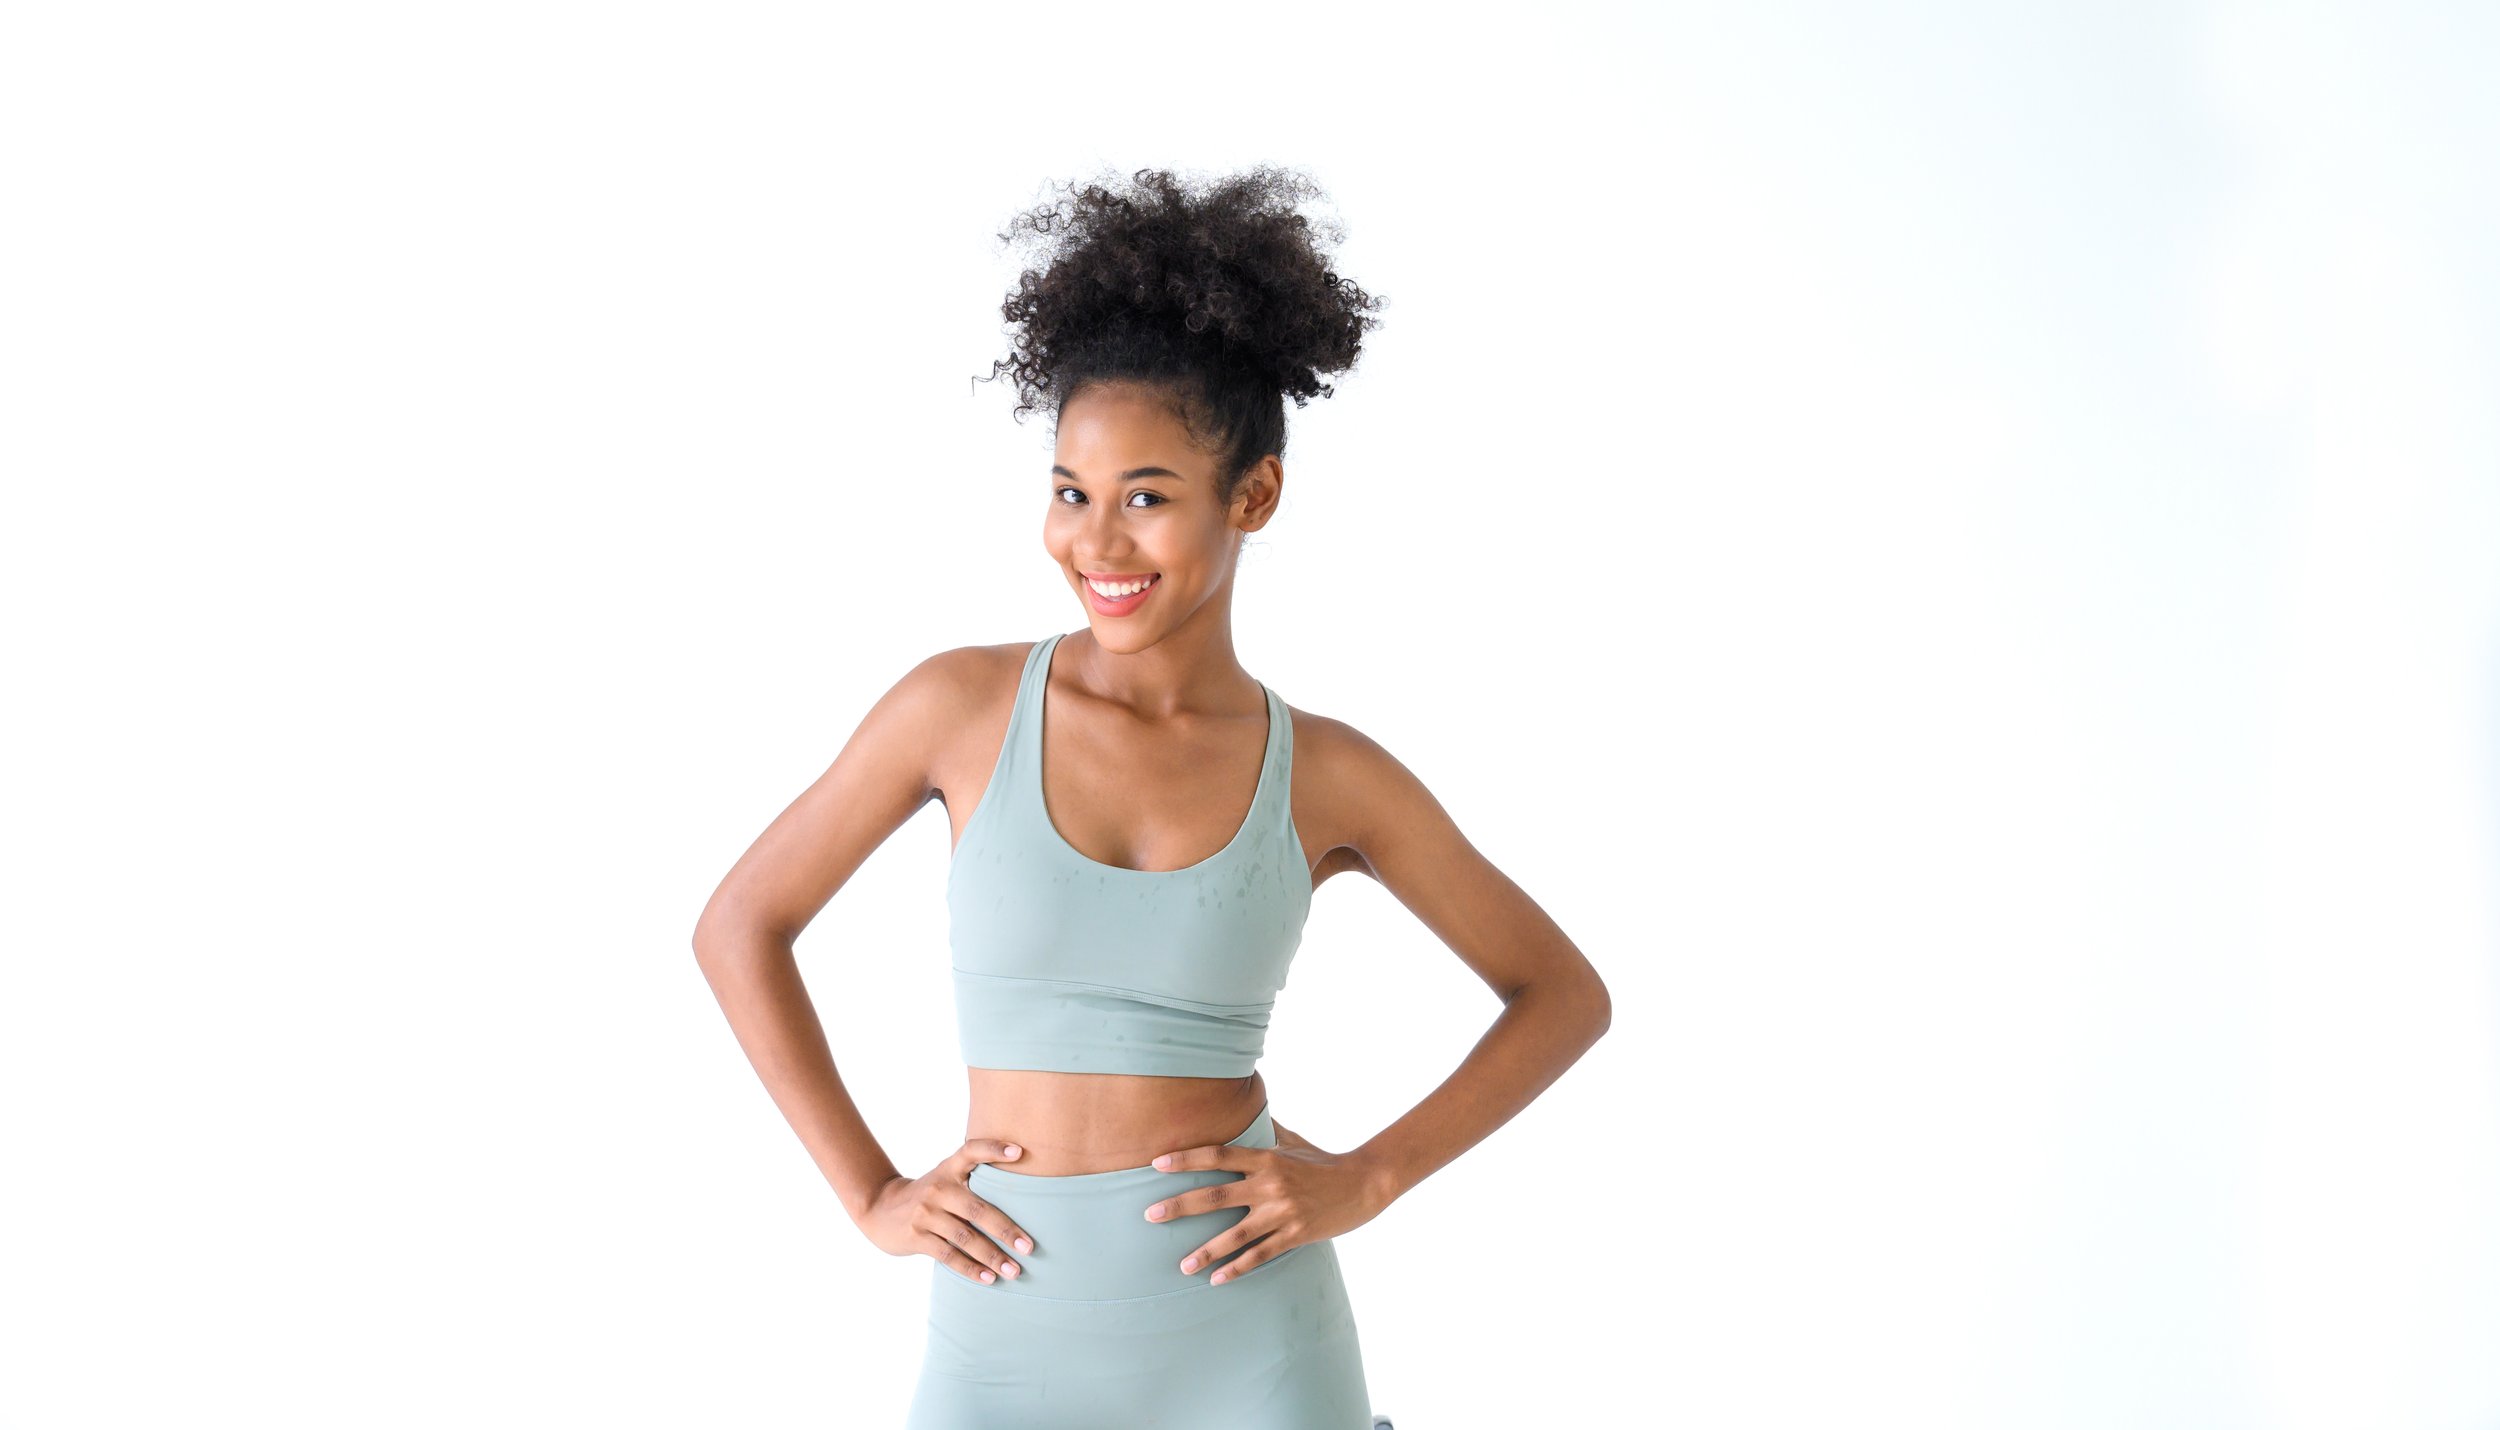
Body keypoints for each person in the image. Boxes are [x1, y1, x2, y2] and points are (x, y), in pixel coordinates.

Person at [692, 165, 1612, 1429]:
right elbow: (739, 924)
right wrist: (868, 1192)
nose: (1097, 542)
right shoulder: (957, 710)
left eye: (1146, 498)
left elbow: (1562, 993)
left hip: (1251, 1346)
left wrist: (1368, 1177)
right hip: (999, 1339)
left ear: (1255, 496)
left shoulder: (1329, 772)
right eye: (1071, 491)